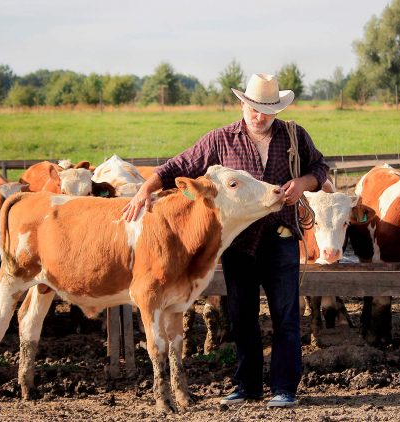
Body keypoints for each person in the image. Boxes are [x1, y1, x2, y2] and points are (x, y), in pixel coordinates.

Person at [122, 73, 329, 408]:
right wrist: (145, 189)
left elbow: (321, 168)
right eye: (253, 107)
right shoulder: (220, 140)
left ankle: (284, 388)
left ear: (276, 109)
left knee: (286, 316)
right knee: (242, 315)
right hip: (238, 242)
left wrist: (303, 183)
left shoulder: (294, 136)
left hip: (281, 237)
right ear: (242, 104)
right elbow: (180, 165)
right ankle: (247, 386)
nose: (259, 115)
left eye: (266, 109)